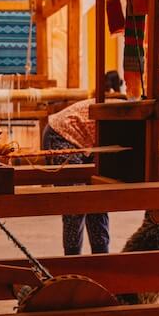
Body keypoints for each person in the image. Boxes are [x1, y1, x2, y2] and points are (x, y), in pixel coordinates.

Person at [41, 70, 123, 255]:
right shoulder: (123, 111)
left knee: (97, 202)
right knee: (75, 203)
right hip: (62, 135)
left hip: (83, 142)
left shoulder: (120, 106)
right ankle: (73, 261)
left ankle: (100, 260)